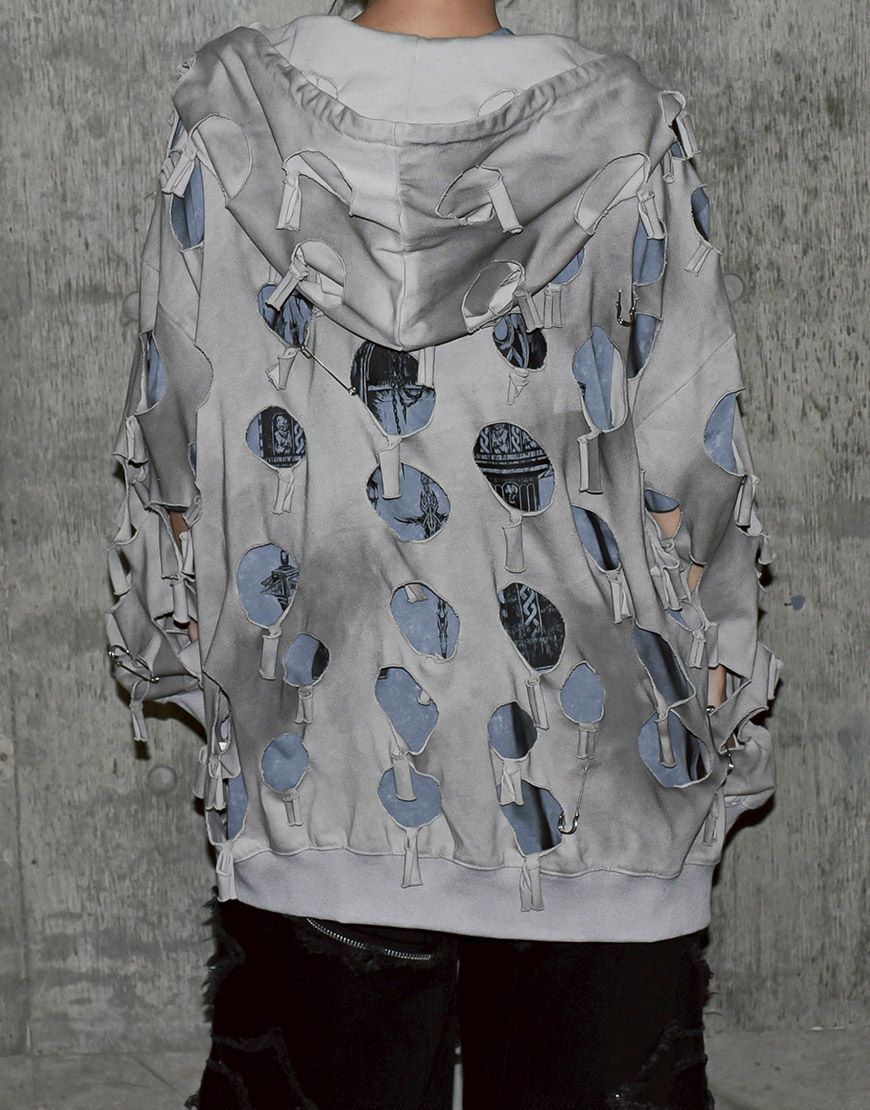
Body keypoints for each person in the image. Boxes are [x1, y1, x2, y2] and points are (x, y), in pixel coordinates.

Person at [104, 0, 784, 1106]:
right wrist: (722, 698)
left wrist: (200, 666)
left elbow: (176, 442)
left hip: (317, 763)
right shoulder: (624, 132)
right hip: (600, 795)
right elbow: (693, 470)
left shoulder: (230, 123)